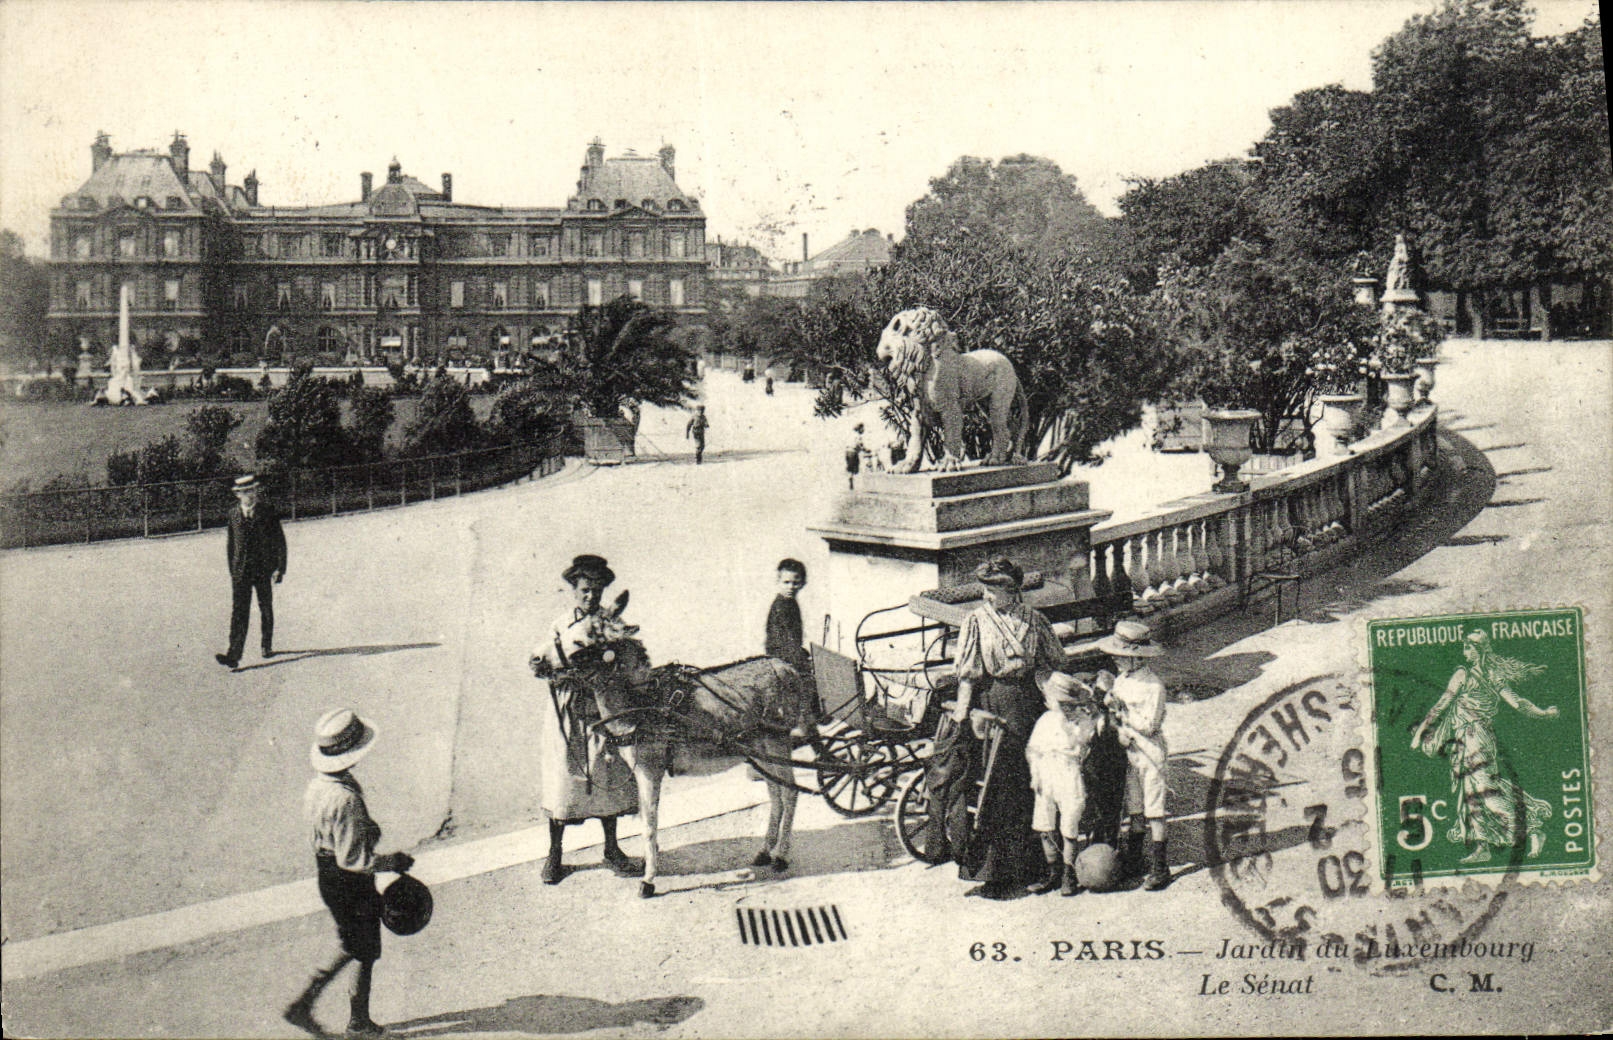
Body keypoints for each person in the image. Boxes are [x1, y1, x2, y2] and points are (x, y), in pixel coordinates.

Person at [940, 555, 1069, 899]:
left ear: (1012, 591)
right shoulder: (976, 622)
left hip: (1028, 706)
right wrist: (962, 718)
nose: (987, 596)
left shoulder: (1034, 620)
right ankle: (995, 873)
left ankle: (1037, 865)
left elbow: (1049, 665)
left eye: (993, 590)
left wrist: (1059, 702)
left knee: (1030, 785)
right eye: (984, 589)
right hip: (994, 706)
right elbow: (968, 676)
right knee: (997, 787)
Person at [283, 708, 415, 1038]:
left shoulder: (319, 787)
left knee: (353, 943)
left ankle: (307, 1001)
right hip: (350, 882)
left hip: (327, 875)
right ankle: (358, 1023)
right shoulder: (345, 799)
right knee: (365, 950)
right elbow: (355, 860)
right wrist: (393, 862)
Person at [528, 554, 644, 886]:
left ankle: (612, 849)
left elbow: (622, 661)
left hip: (599, 710)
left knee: (607, 771)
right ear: (574, 589)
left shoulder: (608, 625)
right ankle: (555, 855)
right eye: (584, 589)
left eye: (596, 590)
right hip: (568, 712)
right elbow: (541, 661)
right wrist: (548, 670)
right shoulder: (562, 625)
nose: (590, 596)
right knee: (565, 780)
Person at [1411, 630, 1557, 864]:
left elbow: (1443, 704)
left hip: (1476, 738)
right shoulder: (1488, 674)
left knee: (1487, 794)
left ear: (1478, 650)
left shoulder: (1468, 674)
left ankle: (1533, 828)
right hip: (1465, 740)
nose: (1464, 652)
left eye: (1468, 648)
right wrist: (1543, 713)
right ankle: (1482, 847)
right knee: (1471, 793)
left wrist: (1543, 713)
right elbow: (1516, 703)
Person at [1096, 620, 1172, 890]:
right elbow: (1115, 714)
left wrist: (1124, 711)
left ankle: (1160, 866)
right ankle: (1135, 857)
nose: (1116, 660)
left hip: (1149, 752)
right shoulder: (1122, 679)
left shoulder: (1154, 686)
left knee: (1154, 810)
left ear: (1137, 657)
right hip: (1128, 750)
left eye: (1122, 656)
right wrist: (1116, 720)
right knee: (1135, 807)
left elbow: (1150, 725)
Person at [1025, 672, 1105, 896]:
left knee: (1069, 825)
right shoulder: (1045, 720)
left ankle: (1068, 874)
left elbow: (1084, 741)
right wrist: (1035, 773)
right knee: (1044, 824)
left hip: (1068, 772)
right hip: (1045, 772)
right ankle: (1053, 871)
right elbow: (1032, 749)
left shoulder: (1081, 721)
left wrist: (1083, 716)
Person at [216, 473, 287, 669]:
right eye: (246, 492)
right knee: (239, 611)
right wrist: (233, 570)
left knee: (265, 607)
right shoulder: (233, 514)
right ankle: (234, 654)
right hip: (241, 572)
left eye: (253, 490)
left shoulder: (267, 512)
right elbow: (231, 545)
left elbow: (279, 541)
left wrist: (279, 568)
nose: (251, 495)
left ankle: (266, 644)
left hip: (263, 569)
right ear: (238, 495)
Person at [763, 558, 811, 675]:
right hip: (781, 659)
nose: (791, 587)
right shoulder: (781, 605)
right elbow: (781, 640)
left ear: (803, 583)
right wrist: (800, 660)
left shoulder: (791, 602)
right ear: (778, 581)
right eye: (786, 582)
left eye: (795, 583)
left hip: (789, 655)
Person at [844, 423, 866, 489]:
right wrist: (864, 449)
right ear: (859, 429)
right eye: (862, 428)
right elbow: (858, 444)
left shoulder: (850, 435)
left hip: (847, 452)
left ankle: (850, 478)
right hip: (853, 452)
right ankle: (851, 478)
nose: (863, 430)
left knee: (850, 468)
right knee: (855, 468)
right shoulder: (858, 436)